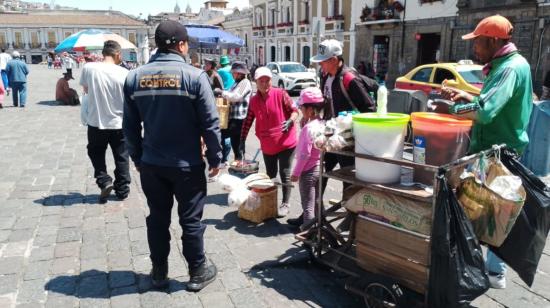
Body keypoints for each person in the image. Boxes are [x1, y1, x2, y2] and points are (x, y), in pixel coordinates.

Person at [123, 20, 222, 291]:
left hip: (152, 164)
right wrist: (215, 159)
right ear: (181, 44)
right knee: (190, 220)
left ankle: (158, 272)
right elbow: (210, 124)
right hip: (187, 165)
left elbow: (129, 127)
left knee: (157, 218)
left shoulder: (134, 77)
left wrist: (137, 159)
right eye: (187, 44)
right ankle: (197, 271)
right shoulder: (195, 76)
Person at [441, 15, 533, 290]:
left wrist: (452, 110)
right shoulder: (506, 64)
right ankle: (490, 271)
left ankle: (490, 272)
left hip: (500, 153)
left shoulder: (509, 68)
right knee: (491, 210)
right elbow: (488, 100)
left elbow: (485, 111)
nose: (475, 49)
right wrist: (465, 95)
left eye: (478, 42)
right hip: (496, 148)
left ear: (493, 40)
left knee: (491, 212)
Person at [310, 39, 376, 196]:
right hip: (331, 135)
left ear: (334, 60)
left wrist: (351, 127)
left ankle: (350, 216)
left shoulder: (350, 79)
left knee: (348, 179)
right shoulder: (326, 77)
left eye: (323, 61)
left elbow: (369, 109)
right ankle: (312, 213)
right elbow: (327, 101)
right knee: (321, 171)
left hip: (348, 139)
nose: (320, 65)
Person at [240, 66, 299, 217]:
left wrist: (290, 121)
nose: (265, 84)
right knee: (270, 175)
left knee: (284, 173)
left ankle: (285, 203)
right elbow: (248, 121)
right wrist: (242, 140)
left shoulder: (280, 94)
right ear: (256, 82)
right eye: (261, 81)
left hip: (286, 141)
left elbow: (294, 110)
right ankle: (270, 203)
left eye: (268, 81)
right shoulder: (253, 101)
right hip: (268, 144)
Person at [80, 40, 130, 203]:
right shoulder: (125, 73)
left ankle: (104, 180)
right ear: (118, 54)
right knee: (121, 156)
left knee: (95, 152)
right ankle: (122, 189)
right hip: (119, 122)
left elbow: (86, 89)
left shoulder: (89, 68)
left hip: (96, 121)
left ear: (103, 53)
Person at [288, 87, 325, 229]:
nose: (301, 111)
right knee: (317, 202)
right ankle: (320, 229)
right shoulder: (322, 123)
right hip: (319, 168)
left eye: (302, 108)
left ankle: (310, 235)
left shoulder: (308, 128)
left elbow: (304, 154)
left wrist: (296, 173)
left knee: (307, 206)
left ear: (310, 109)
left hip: (308, 172)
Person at [214, 61, 252, 162]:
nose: (232, 74)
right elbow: (230, 95)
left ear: (239, 73)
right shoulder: (236, 83)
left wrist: (222, 92)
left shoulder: (245, 82)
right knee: (232, 142)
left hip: (240, 119)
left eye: (233, 73)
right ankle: (235, 162)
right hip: (233, 118)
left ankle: (240, 164)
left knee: (238, 145)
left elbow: (236, 97)